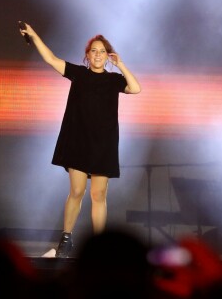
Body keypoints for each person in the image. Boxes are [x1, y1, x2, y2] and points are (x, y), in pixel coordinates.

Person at [18, 22, 141, 258]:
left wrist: (121, 64)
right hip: (78, 140)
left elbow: (135, 88)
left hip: (103, 143)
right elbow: (52, 59)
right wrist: (33, 35)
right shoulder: (79, 74)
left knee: (99, 195)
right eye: (93, 51)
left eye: (102, 51)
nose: (97, 55)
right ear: (87, 55)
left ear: (108, 56)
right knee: (76, 191)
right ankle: (66, 239)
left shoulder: (114, 79)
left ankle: (100, 246)